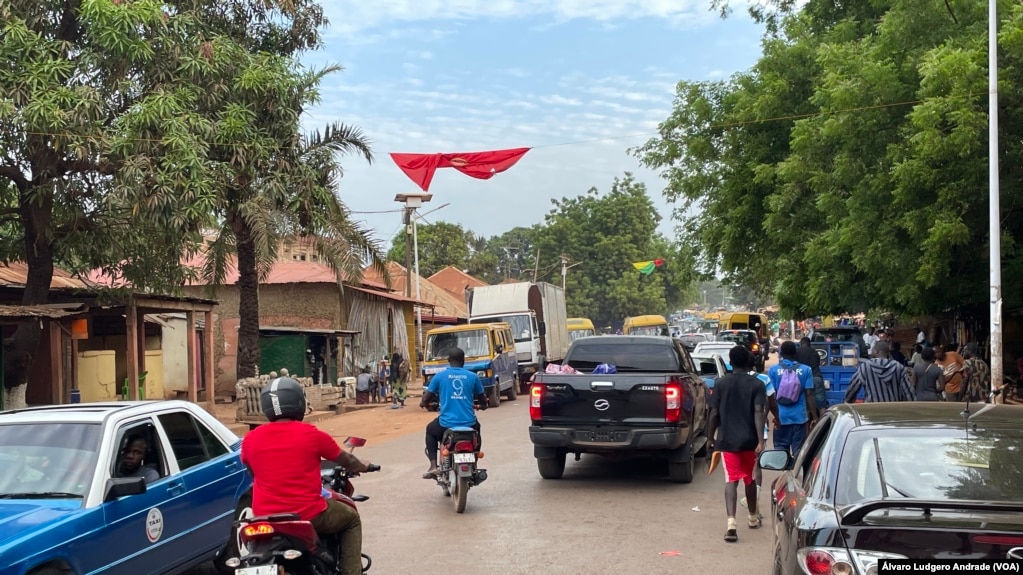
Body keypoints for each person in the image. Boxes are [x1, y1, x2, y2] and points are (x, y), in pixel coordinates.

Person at [241, 377, 373, 575]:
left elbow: (253, 472)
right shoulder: (311, 434)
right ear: (299, 402)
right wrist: (363, 466)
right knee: (351, 519)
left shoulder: (250, 439)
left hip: (264, 517)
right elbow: (346, 459)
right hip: (307, 513)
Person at [706, 346, 767, 542]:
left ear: (731, 362)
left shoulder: (721, 383)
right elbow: (759, 412)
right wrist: (759, 439)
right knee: (749, 479)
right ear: (749, 361)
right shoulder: (757, 384)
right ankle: (752, 517)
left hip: (727, 439)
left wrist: (709, 437)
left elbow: (714, 413)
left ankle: (731, 522)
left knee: (731, 479)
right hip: (749, 440)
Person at [420, 347, 488, 478]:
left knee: (430, 431)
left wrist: (423, 403)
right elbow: (483, 400)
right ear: (463, 361)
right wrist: (482, 405)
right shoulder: (473, 377)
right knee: (477, 432)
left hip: (446, 424)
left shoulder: (439, 376)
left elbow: (426, 398)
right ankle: (474, 462)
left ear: (449, 360)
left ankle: (433, 466)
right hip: (469, 423)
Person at [766, 341, 817, 457]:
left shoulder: (773, 371)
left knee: (781, 455)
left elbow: (770, 396)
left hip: (781, 418)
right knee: (798, 454)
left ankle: (785, 474)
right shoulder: (806, 370)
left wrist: (770, 416)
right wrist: (814, 417)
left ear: (781, 353)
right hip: (799, 418)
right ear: (795, 353)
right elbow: (809, 394)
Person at [844, 341, 915, 403]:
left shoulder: (865, 367)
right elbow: (909, 391)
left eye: (872, 349)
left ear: (876, 351)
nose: (871, 351)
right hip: (894, 412)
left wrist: (848, 400)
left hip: (872, 412)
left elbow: (852, 388)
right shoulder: (898, 367)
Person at [794, 337, 826, 416]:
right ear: (809, 344)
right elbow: (817, 364)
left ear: (801, 343)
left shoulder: (796, 352)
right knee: (822, 406)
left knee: (806, 407)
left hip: (802, 380)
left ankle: (807, 427)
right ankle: (823, 425)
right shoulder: (814, 352)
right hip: (816, 378)